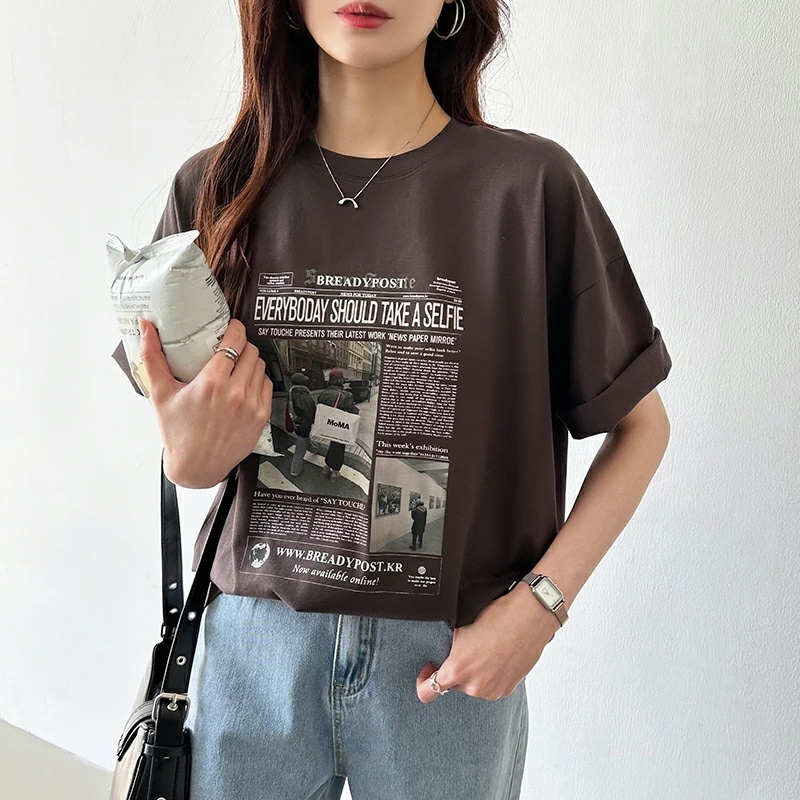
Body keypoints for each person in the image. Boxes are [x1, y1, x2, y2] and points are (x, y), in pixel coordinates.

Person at [111, 2, 673, 798]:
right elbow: (190, 448)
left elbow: (642, 426)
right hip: (254, 649)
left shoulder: (530, 189)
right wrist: (189, 457)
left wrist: (540, 608)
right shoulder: (216, 189)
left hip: (449, 660)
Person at [315, 367, 360, 482]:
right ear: (341, 380)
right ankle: (335, 472)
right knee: (339, 447)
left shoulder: (323, 393)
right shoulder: (346, 395)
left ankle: (326, 467)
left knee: (332, 445)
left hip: (327, 425)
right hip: (339, 426)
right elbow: (353, 411)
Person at [287, 371, 316, 477]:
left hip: (296, 422)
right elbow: (310, 412)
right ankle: (295, 470)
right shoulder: (304, 396)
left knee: (305, 440)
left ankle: (315, 449)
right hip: (303, 425)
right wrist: (314, 421)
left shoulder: (292, 392)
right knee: (300, 448)